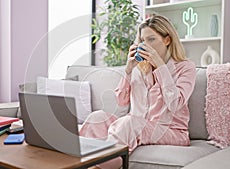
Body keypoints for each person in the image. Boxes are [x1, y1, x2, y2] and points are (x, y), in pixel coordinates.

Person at [80, 14, 196, 169]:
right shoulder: (140, 68)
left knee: (129, 123)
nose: (145, 44)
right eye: (142, 40)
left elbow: (175, 104)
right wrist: (128, 70)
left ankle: (100, 167)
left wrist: (161, 66)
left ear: (167, 40)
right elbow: (121, 101)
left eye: (151, 39)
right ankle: (79, 163)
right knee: (97, 117)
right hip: (137, 124)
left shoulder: (185, 67)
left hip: (170, 131)